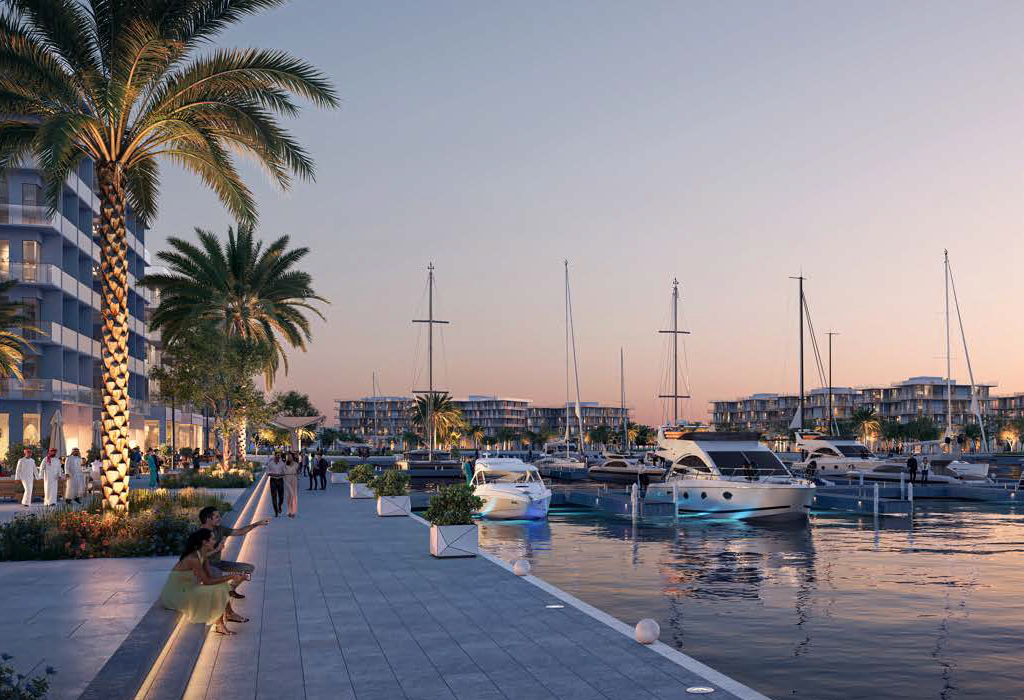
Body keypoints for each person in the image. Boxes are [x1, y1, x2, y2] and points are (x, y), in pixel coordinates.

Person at [160, 529, 246, 635]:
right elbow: (207, 582)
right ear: (205, 542)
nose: (215, 541)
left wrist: (233, 579)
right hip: (175, 595)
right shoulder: (193, 558)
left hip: (188, 588)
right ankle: (221, 623)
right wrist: (232, 576)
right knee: (218, 589)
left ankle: (222, 622)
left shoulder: (202, 554)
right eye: (212, 539)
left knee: (221, 587)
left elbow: (210, 577)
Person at [198, 506, 268, 602]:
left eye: (219, 516)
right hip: (206, 566)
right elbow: (197, 557)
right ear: (208, 519)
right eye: (217, 517)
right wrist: (216, 550)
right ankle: (222, 600)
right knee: (219, 576)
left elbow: (240, 532)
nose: (220, 519)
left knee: (248, 569)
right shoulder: (199, 535)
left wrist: (258, 523)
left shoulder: (220, 529)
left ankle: (231, 589)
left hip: (218, 563)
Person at [267, 451, 285, 516]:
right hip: (273, 480)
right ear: (275, 456)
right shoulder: (270, 463)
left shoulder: (282, 463)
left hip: (280, 480)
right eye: (277, 455)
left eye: (279, 456)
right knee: (274, 496)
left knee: (281, 496)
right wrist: (273, 474)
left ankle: (279, 505)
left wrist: (281, 474)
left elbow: (284, 472)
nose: (278, 457)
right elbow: (267, 472)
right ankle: (276, 512)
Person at [283, 451, 299, 517]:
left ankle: (293, 511)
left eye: (290, 456)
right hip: (287, 480)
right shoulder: (285, 464)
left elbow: (297, 472)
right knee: (289, 496)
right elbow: (283, 472)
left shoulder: (296, 464)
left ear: (293, 457)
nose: (289, 457)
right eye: (288, 456)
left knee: (294, 495)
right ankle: (289, 510)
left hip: (294, 480)